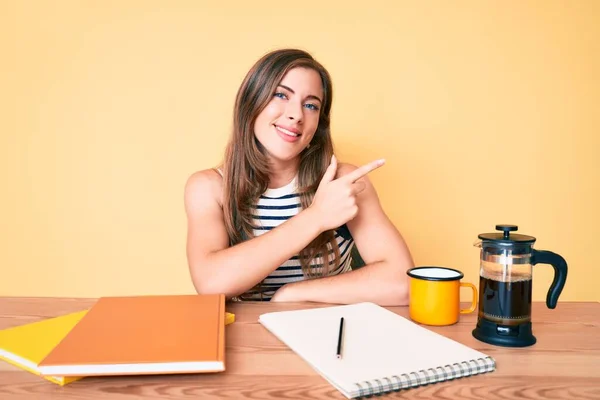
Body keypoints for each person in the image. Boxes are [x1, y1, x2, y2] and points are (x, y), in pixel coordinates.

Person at [184, 48, 414, 305]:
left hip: (328, 335)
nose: (296, 115)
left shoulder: (344, 183)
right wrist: (316, 217)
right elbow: (211, 282)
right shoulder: (209, 187)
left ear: (319, 123)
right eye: (281, 95)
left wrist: (293, 294)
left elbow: (402, 283)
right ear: (251, 102)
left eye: (310, 105)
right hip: (246, 340)